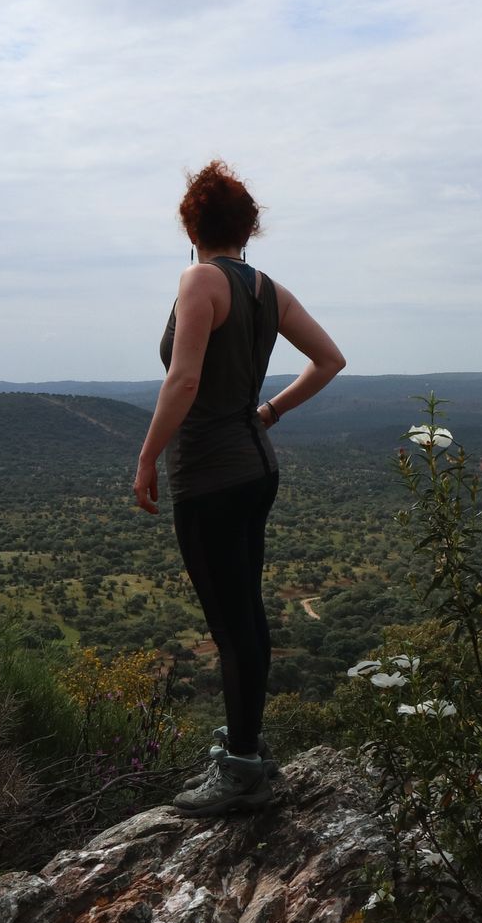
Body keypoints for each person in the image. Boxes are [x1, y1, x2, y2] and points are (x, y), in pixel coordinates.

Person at [132, 160, 345, 817]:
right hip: (257, 469)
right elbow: (330, 359)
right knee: (246, 615)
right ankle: (245, 745)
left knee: (230, 625)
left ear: (190, 223)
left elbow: (184, 381)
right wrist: (270, 412)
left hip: (209, 475)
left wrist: (147, 460)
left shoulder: (200, 279)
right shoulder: (267, 290)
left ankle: (242, 767)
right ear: (248, 227)